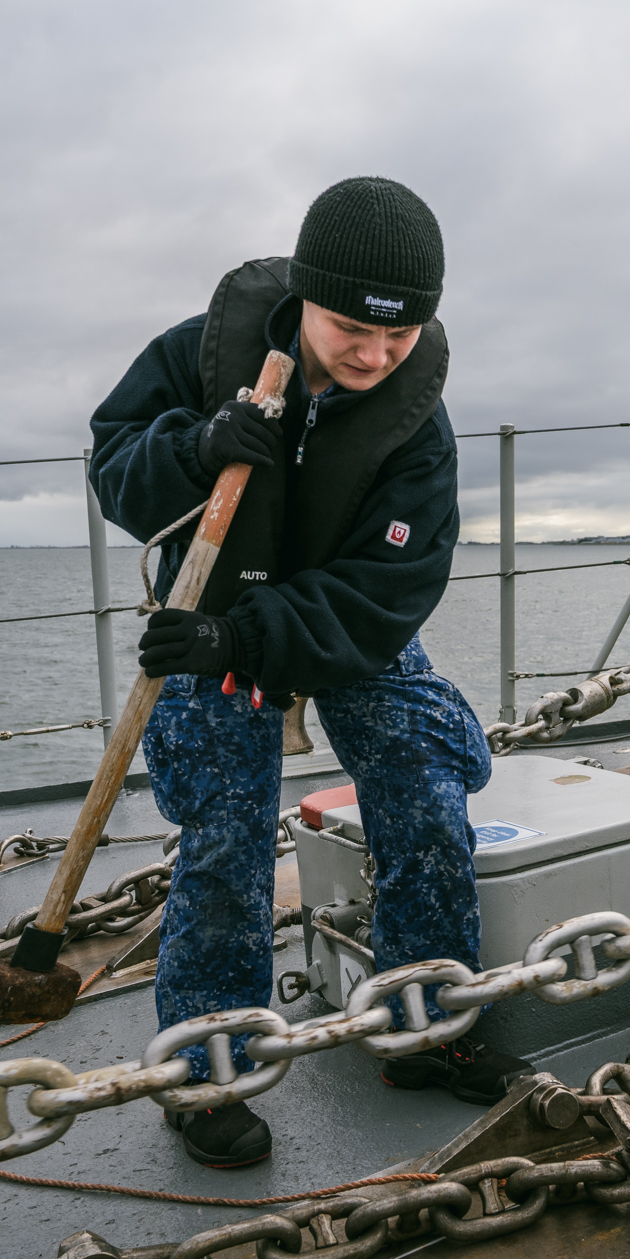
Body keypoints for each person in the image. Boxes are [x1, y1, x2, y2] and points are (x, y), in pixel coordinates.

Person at [90, 177, 532, 1170]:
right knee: (226, 831)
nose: (375, 356)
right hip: (207, 604)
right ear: (304, 297)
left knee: (425, 782)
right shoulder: (196, 353)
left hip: (330, 623)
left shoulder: (417, 423)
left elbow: (391, 587)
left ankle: (426, 1022)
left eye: (401, 334)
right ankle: (206, 1070)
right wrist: (194, 447)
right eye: (351, 330)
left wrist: (249, 640)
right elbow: (114, 465)